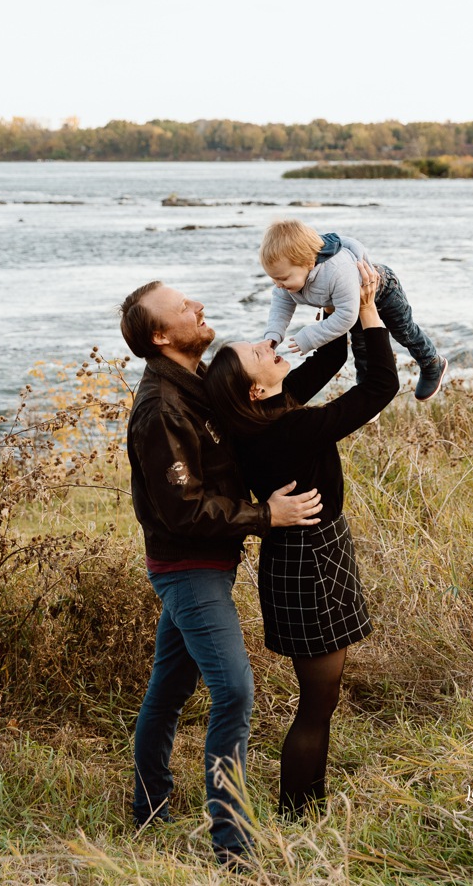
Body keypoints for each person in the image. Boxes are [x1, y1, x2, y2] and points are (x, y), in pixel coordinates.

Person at [118, 279, 323, 867]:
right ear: (160, 335)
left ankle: (150, 803)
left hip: (206, 563)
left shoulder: (197, 383)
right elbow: (182, 508)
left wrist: (335, 326)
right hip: (189, 568)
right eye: (183, 307)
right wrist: (267, 515)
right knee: (233, 689)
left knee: (170, 686)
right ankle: (233, 846)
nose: (198, 306)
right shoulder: (161, 408)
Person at [204, 262, 399, 818]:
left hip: (305, 554)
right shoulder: (286, 429)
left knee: (322, 702)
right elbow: (381, 386)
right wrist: (366, 311)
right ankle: (298, 815)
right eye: (262, 353)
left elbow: (332, 357)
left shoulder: (263, 413)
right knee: (317, 705)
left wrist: (332, 305)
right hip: (310, 562)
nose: (272, 345)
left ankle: (311, 806)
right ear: (257, 387)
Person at [260, 219, 447, 402]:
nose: (278, 285)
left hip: (384, 290)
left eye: (282, 278)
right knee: (361, 345)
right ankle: (368, 393)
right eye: (273, 279)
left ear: (309, 263)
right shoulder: (286, 281)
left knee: (404, 331)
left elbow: (346, 317)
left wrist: (310, 337)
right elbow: (281, 306)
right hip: (348, 301)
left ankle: (431, 363)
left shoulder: (337, 271)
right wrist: (273, 336)